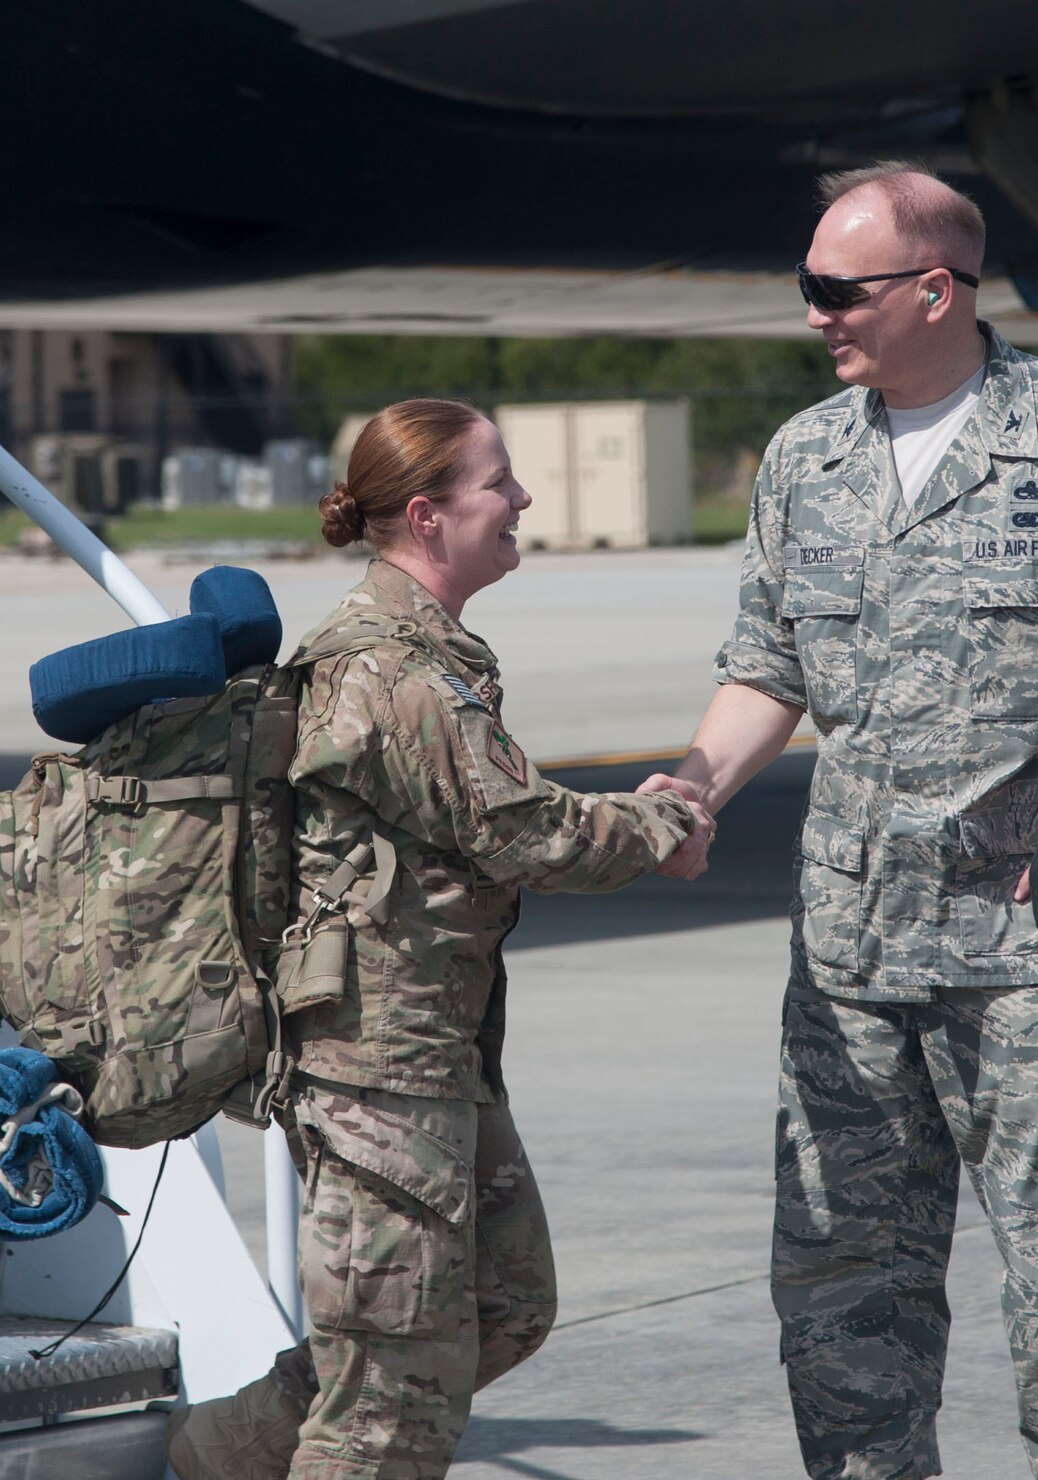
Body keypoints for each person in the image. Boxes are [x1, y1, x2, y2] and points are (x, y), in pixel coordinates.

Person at [657, 161, 1038, 1480]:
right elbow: (765, 670)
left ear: (934, 290)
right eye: (808, 289)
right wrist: (693, 788)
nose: (817, 314)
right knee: (843, 1304)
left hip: (1032, 968)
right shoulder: (804, 458)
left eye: (838, 290)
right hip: (850, 958)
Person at [165, 398, 715, 1480]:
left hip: (431, 1059)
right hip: (377, 1073)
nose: (519, 499)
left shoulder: (420, 652)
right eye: (496, 480)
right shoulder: (396, 674)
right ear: (427, 515)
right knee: (389, 1406)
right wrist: (665, 824)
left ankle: (204, 1460)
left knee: (497, 1308)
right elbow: (531, 835)